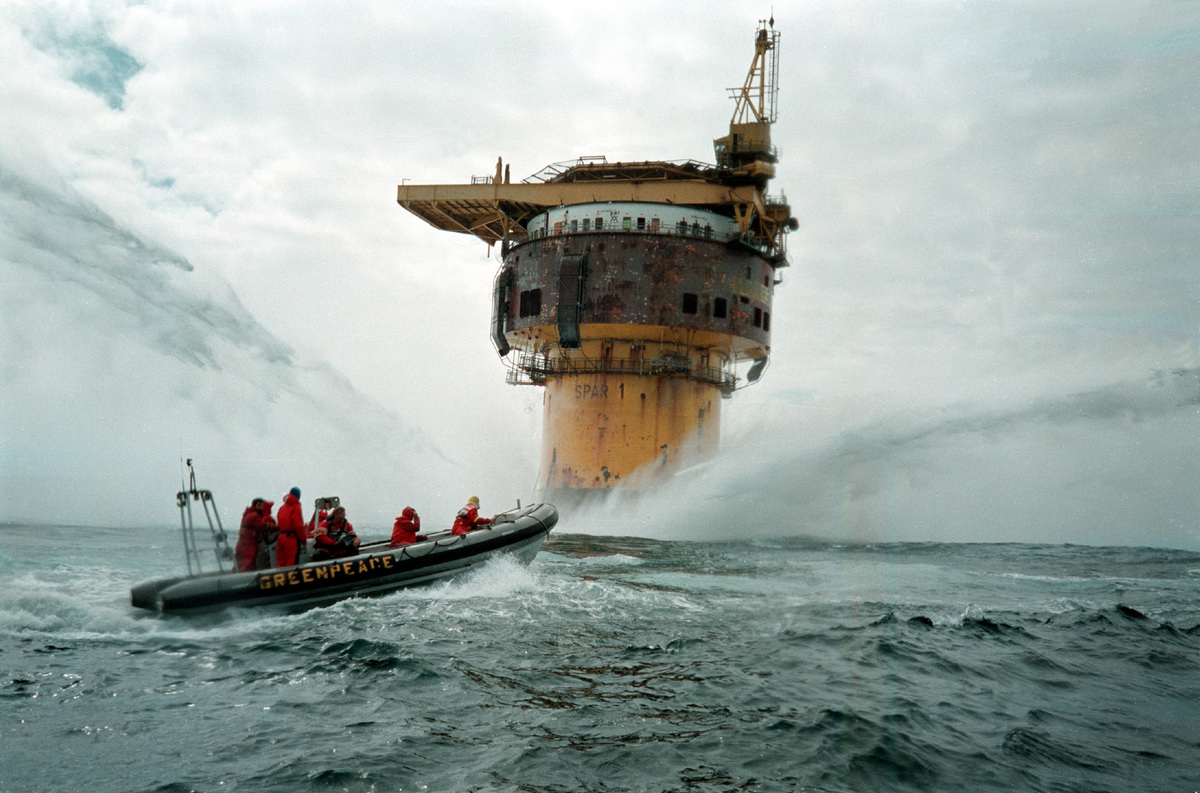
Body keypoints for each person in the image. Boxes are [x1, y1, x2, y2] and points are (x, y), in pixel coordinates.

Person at [275, 487, 306, 567]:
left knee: (281, 561)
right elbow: (298, 525)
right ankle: (291, 579)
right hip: (291, 538)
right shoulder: (296, 506)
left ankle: (280, 578)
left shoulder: (282, 508)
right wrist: (303, 540)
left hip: (281, 538)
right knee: (291, 562)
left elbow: (279, 521)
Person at [235, 498, 266, 572]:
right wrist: (275, 526)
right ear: (254, 505)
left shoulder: (248, 514)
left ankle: (236, 574)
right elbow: (262, 526)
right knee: (248, 562)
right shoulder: (253, 515)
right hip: (248, 544)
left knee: (240, 562)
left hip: (244, 543)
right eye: (259, 505)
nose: (261, 507)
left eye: (262, 505)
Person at [256, 501, 277, 569]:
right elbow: (272, 529)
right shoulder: (268, 518)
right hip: (268, 544)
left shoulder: (261, 518)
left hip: (263, 543)